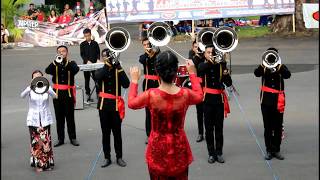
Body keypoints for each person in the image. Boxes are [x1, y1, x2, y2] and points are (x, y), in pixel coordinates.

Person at [128, 51, 203, 180]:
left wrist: (134, 81)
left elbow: (131, 103)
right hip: (179, 148)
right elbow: (200, 96)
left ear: (157, 71)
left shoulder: (151, 95)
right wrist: (192, 73)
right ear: (176, 71)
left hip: (157, 150)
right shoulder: (185, 94)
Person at [254, 47, 291, 160]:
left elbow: (287, 75)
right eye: (269, 55)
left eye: (274, 55)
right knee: (268, 126)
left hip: (278, 100)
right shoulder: (264, 67)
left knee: (278, 126)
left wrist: (279, 66)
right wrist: (264, 64)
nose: (271, 58)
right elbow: (256, 73)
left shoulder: (281, 67)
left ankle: (277, 150)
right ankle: (269, 150)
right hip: (266, 100)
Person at [95, 48, 130, 168]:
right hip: (103, 106)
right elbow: (97, 77)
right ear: (102, 58)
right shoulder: (101, 70)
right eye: (105, 56)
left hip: (116, 106)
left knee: (117, 133)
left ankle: (119, 157)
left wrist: (118, 65)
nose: (107, 58)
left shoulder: (118, 70)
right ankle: (107, 157)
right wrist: (107, 65)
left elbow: (126, 84)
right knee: (105, 133)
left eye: (109, 56)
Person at [198, 44, 232, 164]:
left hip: (218, 100)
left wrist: (226, 73)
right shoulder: (203, 65)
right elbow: (200, 69)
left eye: (212, 52)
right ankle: (211, 153)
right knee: (208, 129)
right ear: (205, 54)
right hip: (207, 101)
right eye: (208, 52)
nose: (210, 54)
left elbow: (228, 83)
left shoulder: (221, 65)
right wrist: (211, 62)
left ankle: (219, 152)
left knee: (219, 128)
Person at [20, 70, 56, 172]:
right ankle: (38, 164)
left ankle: (47, 164)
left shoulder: (46, 88)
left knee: (46, 141)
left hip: (45, 119)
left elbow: (55, 96)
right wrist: (29, 88)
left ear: (42, 77)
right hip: (33, 119)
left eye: (39, 76)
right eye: (35, 77)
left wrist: (48, 88)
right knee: (36, 142)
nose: (37, 78)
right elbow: (22, 95)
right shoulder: (30, 89)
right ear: (32, 79)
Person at [45, 45, 80, 147]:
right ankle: (61, 138)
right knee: (59, 117)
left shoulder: (71, 63)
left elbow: (75, 70)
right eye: (59, 52)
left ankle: (72, 137)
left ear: (67, 53)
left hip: (68, 93)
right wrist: (56, 62)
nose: (61, 53)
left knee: (70, 117)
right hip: (57, 94)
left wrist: (64, 62)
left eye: (63, 51)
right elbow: (47, 70)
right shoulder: (54, 64)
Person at [139, 37, 161, 144]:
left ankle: (159, 132)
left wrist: (154, 52)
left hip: (158, 84)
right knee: (148, 111)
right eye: (145, 45)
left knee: (159, 110)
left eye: (148, 44)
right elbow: (142, 60)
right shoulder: (144, 57)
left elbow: (161, 60)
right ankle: (149, 134)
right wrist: (149, 54)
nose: (147, 46)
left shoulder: (158, 54)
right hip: (147, 85)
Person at [188, 40, 205, 142]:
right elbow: (192, 65)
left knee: (207, 111)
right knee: (199, 111)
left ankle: (208, 132)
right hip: (197, 86)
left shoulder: (205, 56)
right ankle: (200, 133)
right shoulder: (193, 57)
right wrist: (197, 55)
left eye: (198, 47)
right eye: (195, 47)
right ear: (192, 48)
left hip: (207, 86)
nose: (197, 49)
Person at [80, 28, 100, 102]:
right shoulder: (82, 44)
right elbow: (82, 54)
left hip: (95, 64)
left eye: (88, 36)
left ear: (90, 35)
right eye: (86, 36)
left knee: (96, 79)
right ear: (84, 36)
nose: (87, 37)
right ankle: (88, 94)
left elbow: (98, 52)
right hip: (86, 64)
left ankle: (98, 93)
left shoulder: (95, 43)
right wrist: (87, 61)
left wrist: (98, 59)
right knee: (87, 79)